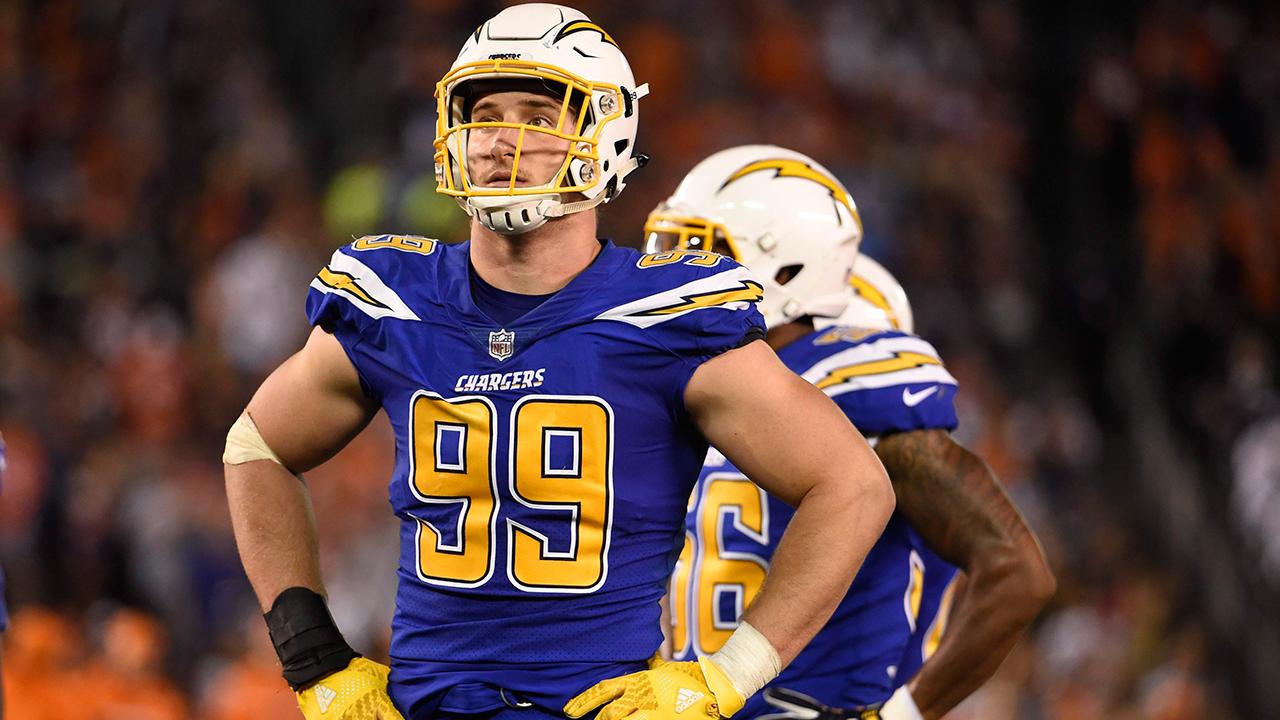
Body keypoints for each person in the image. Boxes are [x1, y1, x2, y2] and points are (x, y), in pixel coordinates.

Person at [222, 7, 895, 720]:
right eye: (484, 113)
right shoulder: (396, 299)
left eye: (538, 114)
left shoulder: (667, 313)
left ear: (606, 133)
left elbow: (851, 486)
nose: (498, 139)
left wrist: (728, 676)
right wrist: (315, 658)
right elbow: (256, 446)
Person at [647, 145, 1056, 720]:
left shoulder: (848, 385)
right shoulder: (696, 388)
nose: (671, 270)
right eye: (667, 245)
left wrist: (905, 715)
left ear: (785, 270)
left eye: (700, 249)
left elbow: (1018, 570)